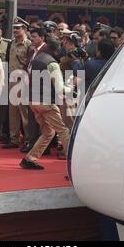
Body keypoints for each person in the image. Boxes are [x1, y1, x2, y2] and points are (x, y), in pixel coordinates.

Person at [20, 37, 72, 170]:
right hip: (46, 102)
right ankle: (73, 162)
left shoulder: (36, 59)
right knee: (63, 130)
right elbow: (60, 89)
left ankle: (30, 158)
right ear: (56, 50)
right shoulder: (52, 64)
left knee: (49, 132)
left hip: (33, 102)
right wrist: (71, 88)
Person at [3, 17, 32, 149]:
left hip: (24, 80)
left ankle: (28, 139)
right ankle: (13, 138)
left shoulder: (29, 44)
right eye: (14, 28)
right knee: (12, 112)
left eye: (18, 28)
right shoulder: (11, 43)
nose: (15, 30)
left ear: (24, 29)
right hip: (12, 80)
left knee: (24, 112)